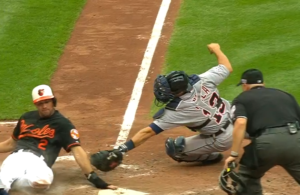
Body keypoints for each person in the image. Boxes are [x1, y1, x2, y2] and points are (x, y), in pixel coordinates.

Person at [92, 43, 234, 167]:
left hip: (222, 138)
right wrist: (216, 49)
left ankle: (211, 156)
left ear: (178, 91)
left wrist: (122, 149)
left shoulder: (178, 110)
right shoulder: (203, 80)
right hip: (236, 115)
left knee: (176, 148)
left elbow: (148, 132)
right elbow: (226, 67)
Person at [0, 84, 117, 195]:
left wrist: (94, 178)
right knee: (2, 181)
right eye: (40, 103)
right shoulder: (26, 117)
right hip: (16, 157)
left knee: (43, 182)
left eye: (47, 102)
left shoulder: (62, 124)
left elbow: (77, 151)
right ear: (36, 104)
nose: (44, 106)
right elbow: (11, 143)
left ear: (53, 102)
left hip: (39, 161)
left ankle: (15, 182)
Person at [223, 69, 300, 195]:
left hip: (266, 145)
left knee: (248, 178)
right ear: (263, 83)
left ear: (245, 85)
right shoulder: (285, 95)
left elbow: (240, 123)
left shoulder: (241, 99)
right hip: (295, 141)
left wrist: (234, 154)